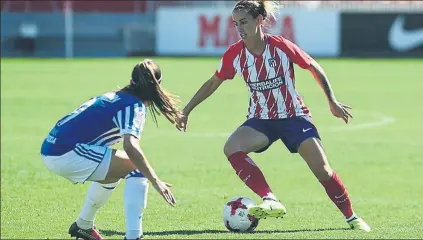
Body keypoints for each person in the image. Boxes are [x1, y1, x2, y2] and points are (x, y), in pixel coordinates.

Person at [176, 0, 371, 232]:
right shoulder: (234, 55)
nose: (239, 28)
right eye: (236, 23)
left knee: (323, 170)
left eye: (244, 22)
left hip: (294, 117)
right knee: (232, 147)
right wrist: (186, 110)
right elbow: (212, 83)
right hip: (261, 121)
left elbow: (313, 66)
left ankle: (352, 217)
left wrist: (331, 100)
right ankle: (270, 199)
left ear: (259, 21)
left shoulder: (280, 45)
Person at [41, 59, 181, 240]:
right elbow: (130, 146)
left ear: (132, 81)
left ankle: (83, 225)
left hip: (53, 147)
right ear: (157, 87)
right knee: (137, 168)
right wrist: (155, 181)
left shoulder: (117, 96)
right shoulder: (134, 106)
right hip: (65, 152)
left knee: (114, 172)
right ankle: (134, 236)